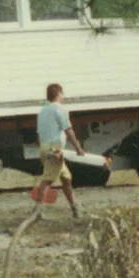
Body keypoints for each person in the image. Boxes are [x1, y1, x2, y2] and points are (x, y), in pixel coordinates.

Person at [35, 82, 85, 219]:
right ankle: (37, 212)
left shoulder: (42, 111)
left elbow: (39, 134)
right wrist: (78, 148)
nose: (63, 96)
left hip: (45, 147)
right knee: (48, 180)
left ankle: (75, 208)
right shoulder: (59, 109)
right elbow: (68, 129)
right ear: (58, 94)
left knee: (66, 178)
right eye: (62, 93)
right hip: (55, 149)